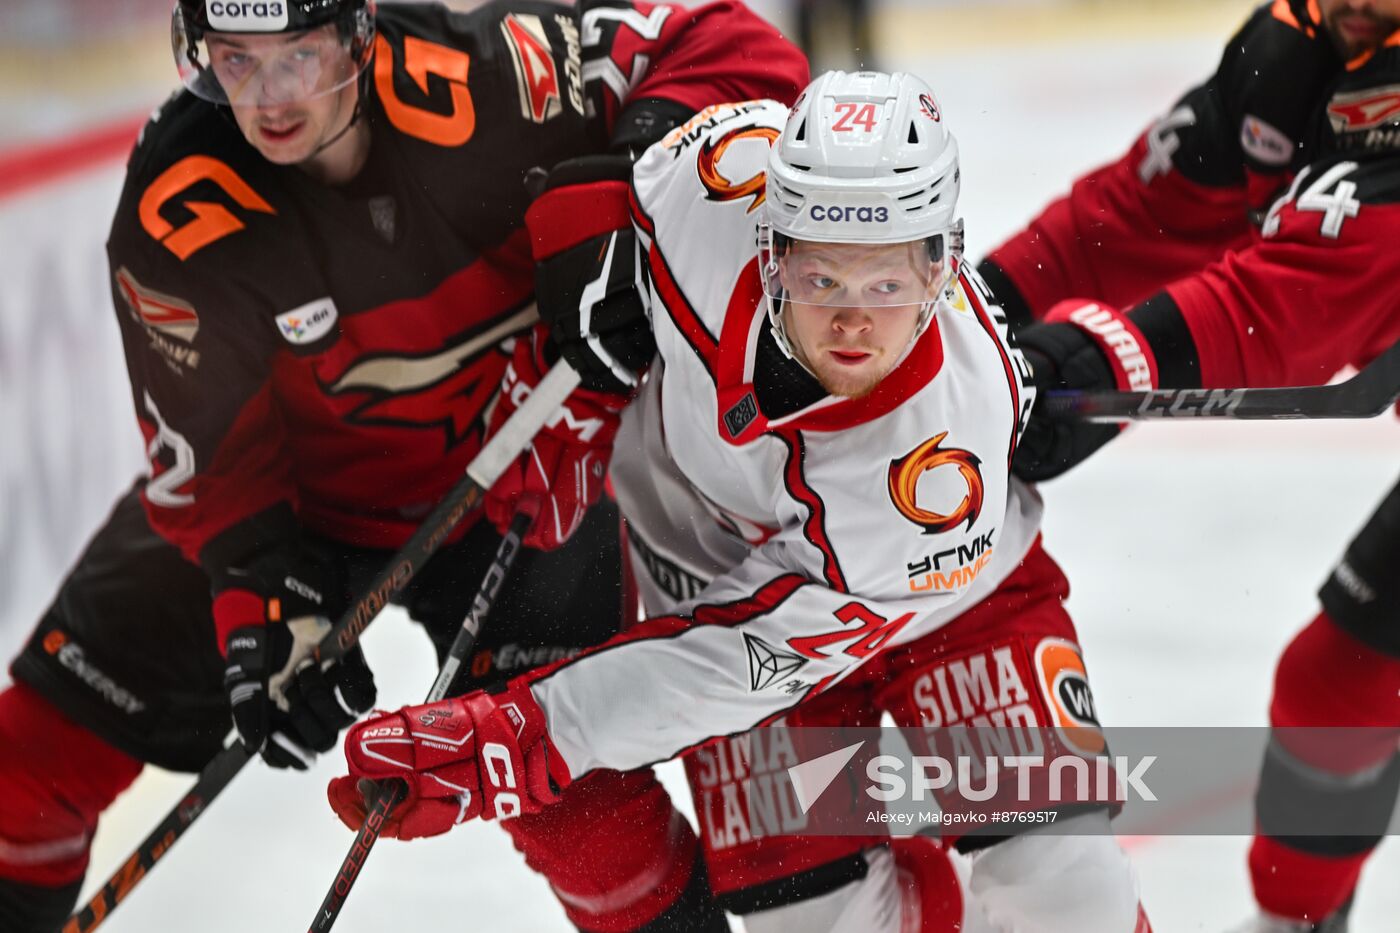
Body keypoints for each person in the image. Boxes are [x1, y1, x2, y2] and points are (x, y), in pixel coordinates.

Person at [0, 1, 808, 930]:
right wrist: (258, 606)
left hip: (522, 479)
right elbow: (212, 466)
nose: (269, 97)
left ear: (357, 30)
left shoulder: (495, 80)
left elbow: (723, 42)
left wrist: (640, 172)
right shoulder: (176, 206)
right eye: (235, 60)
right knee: (28, 764)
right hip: (297, 511)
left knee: (580, 811)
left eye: (297, 54)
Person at [328, 69, 1154, 932]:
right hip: (712, 570)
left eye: (886, 284)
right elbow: (622, 166)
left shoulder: (943, 465)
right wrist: (573, 332)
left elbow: (729, 666)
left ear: (942, 264)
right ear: (770, 243)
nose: (852, 325)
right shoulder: (718, 181)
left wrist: (522, 737)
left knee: (1068, 894)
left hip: (946, 604)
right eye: (821, 278)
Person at [978, 1, 1400, 929]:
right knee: (1336, 683)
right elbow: (1128, 214)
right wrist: (960, 316)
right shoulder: (1288, 57)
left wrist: (1103, 370)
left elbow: (1297, 303)